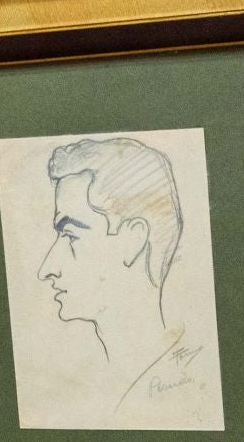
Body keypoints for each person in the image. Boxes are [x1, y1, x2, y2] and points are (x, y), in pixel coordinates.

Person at [35, 137, 197, 414]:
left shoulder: (182, 393)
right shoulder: (86, 392)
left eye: (71, 236)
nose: (46, 268)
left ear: (133, 240)